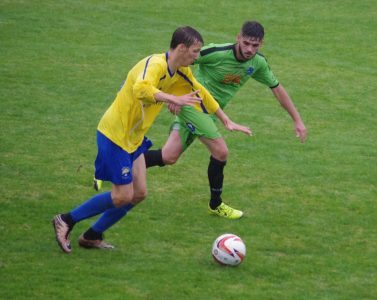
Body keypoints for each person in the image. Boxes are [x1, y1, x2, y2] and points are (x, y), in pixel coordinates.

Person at [52, 26, 251, 253]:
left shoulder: (181, 72)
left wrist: (226, 120)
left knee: (139, 194)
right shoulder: (155, 64)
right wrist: (172, 98)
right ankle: (66, 220)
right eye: (195, 51)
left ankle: (92, 236)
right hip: (115, 135)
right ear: (182, 48)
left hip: (134, 138)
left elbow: (201, 93)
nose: (197, 56)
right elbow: (141, 89)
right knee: (122, 195)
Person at [140, 21, 307, 219]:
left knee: (168, 156)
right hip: (193, 106)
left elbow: (277, 89)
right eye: (246, 43)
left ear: (261, 44)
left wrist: (297, 120)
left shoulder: (257, 63)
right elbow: (177, 62)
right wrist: (174, 96)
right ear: (238, 37)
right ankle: (216, 204)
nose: (249, 49)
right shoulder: (216, 53)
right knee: (221, 151)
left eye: (255, 46)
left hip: (211, 112)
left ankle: (117, 164)